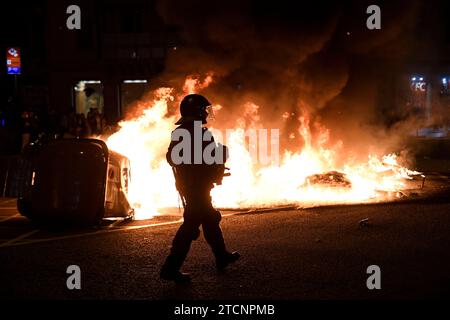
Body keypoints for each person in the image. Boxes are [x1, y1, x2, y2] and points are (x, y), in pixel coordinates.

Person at [160, 94, 240, 283]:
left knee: (210, 219)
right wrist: (218, 155)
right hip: (195, 187)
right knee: (190, 227)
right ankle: (170, 268)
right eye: (203, 110)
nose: (206, 114)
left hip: (193, 186)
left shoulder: (184, 132)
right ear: (195, 112)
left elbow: (173, 158)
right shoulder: (195, 133)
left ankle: (221, 256)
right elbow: (202, 157)